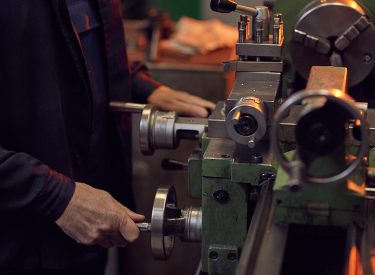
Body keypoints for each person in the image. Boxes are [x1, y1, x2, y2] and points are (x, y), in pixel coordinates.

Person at [0, 0, 215, 274]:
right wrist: (57, 197)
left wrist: (140, 86)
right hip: (22, 241)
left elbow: (84, 49)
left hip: (88, 224)